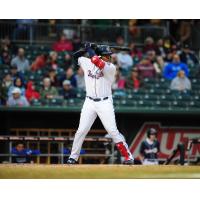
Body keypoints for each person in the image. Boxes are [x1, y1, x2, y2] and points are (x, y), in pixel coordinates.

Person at [67, 43, 134, 165]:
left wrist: (90, 49)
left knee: (112, 131)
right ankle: (73, 157)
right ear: (99, 55)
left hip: (105, 102)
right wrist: (86, 47)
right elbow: (75, 56)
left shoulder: (110, 67)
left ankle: (128, 157)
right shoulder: (87, 62)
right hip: (89, 102)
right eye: (106, 55)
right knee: (81, 130)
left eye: (109, 55)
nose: (109, 57)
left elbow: (97, 62)